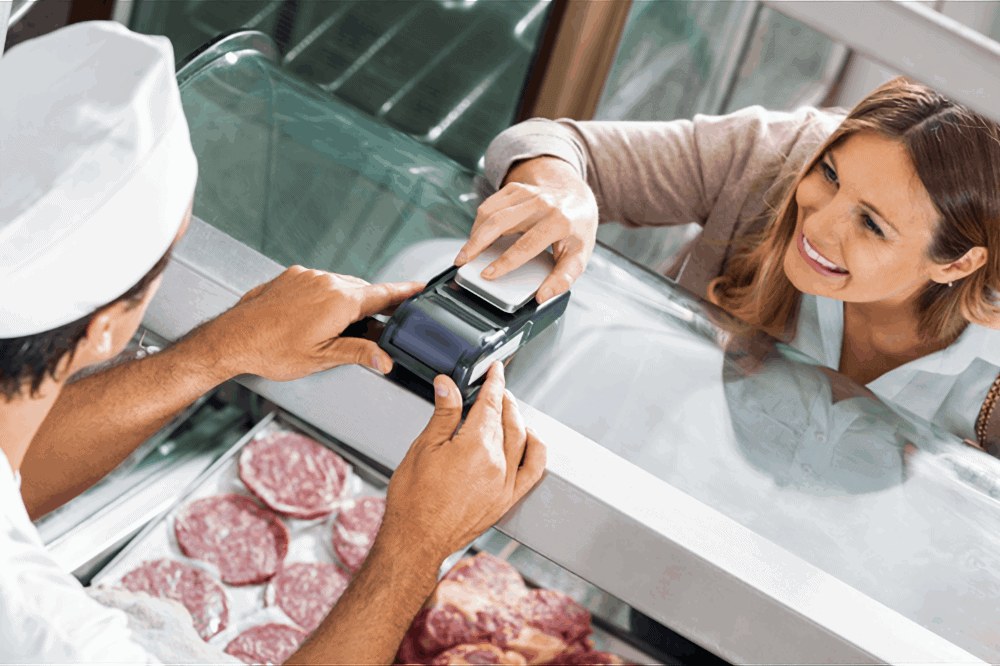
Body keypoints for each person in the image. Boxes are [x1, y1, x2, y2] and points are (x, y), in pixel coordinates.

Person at [0, 21, 545, 664]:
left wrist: (217, 349)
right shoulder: (50, 634)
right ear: (107, 329)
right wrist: (416, 548)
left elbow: (17, 479)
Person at [459, 76, 1000, 444]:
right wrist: (563, 189)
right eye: (830, 175)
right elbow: (551, 143)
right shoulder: (781, 155)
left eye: (871, 225)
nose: (817, 224)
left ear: (956, 265)